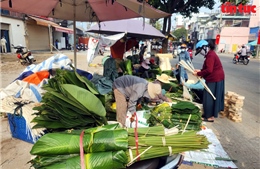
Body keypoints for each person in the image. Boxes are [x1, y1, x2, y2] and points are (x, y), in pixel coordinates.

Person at [193, 40, 225, 122]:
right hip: (215, 78)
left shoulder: (210, 55)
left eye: (200, 51)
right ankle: (208, 114)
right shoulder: (209, 55)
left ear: (205, 47)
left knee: (209, 97)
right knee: (209, 97)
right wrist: (199, 71)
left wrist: (199, 73)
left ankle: (210, 117)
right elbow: (207, 68)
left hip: (215, 78)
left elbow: (209, 70)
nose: (201, 53)